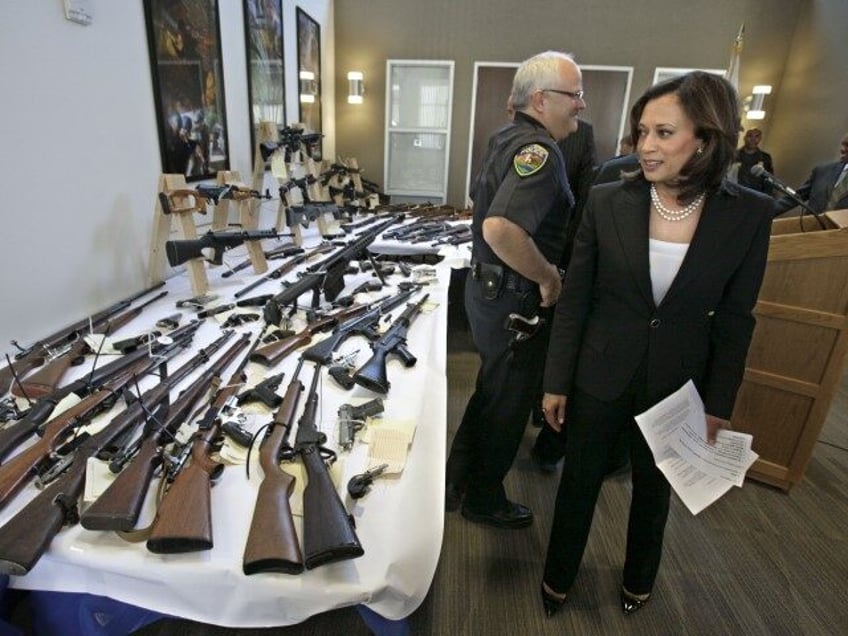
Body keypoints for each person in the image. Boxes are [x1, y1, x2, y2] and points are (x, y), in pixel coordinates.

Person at [538, 71, 773, 617]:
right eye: (642, 131)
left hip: (678, 382)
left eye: (664, 133)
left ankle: (638, 580)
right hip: (599, 373)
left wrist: (719, 404)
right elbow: (575, 301)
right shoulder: (605, 201)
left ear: (706, 139)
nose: (645, 146)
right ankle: (556, 579)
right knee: (578, 486)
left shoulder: (750, 215)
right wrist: (555, 381)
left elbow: (738, 319)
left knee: (653, 492)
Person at [445, 50, 585, 528]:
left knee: (492, 390)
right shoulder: (540, 153)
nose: (581, 105)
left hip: (489, 290)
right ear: (542, 100)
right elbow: (501, 228)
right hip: (515, 297)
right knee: (507, 402)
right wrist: (549, 276)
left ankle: (456, 479)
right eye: (575, 95)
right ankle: (483, 498)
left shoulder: (507, 137)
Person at [774, 132, 848, 215]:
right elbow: (795, 198)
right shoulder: (823, 171)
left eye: (847, 145)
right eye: (843, 144)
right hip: (810, 226)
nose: (842, 149)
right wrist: (765, 212)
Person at [735, 128, 774, 194]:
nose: (753, 139)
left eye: (757, 136)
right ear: (744, 138)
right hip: (734, 193)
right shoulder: (734, 155)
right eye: (750, 136)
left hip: (755, 196)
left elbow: (769, 180)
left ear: (760, 139)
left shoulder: (765, 158)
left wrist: (765, 198)